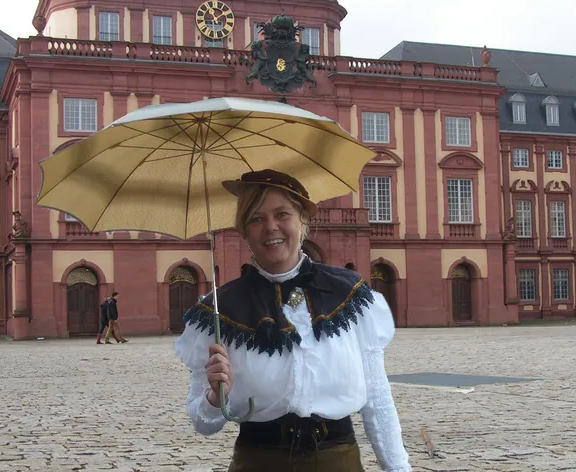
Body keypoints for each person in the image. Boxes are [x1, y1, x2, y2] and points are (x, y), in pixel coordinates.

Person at [175, 169, 411, 472]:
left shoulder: (349, 295)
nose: (270, 227)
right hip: (258, 462)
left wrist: (398, 468)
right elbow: (203, 424)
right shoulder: (220, 312)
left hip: (337, 462)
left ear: (302, 220)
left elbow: (377, 398)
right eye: (256, 219)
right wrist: (215, 394)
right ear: (244, 231)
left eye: (282, 214)